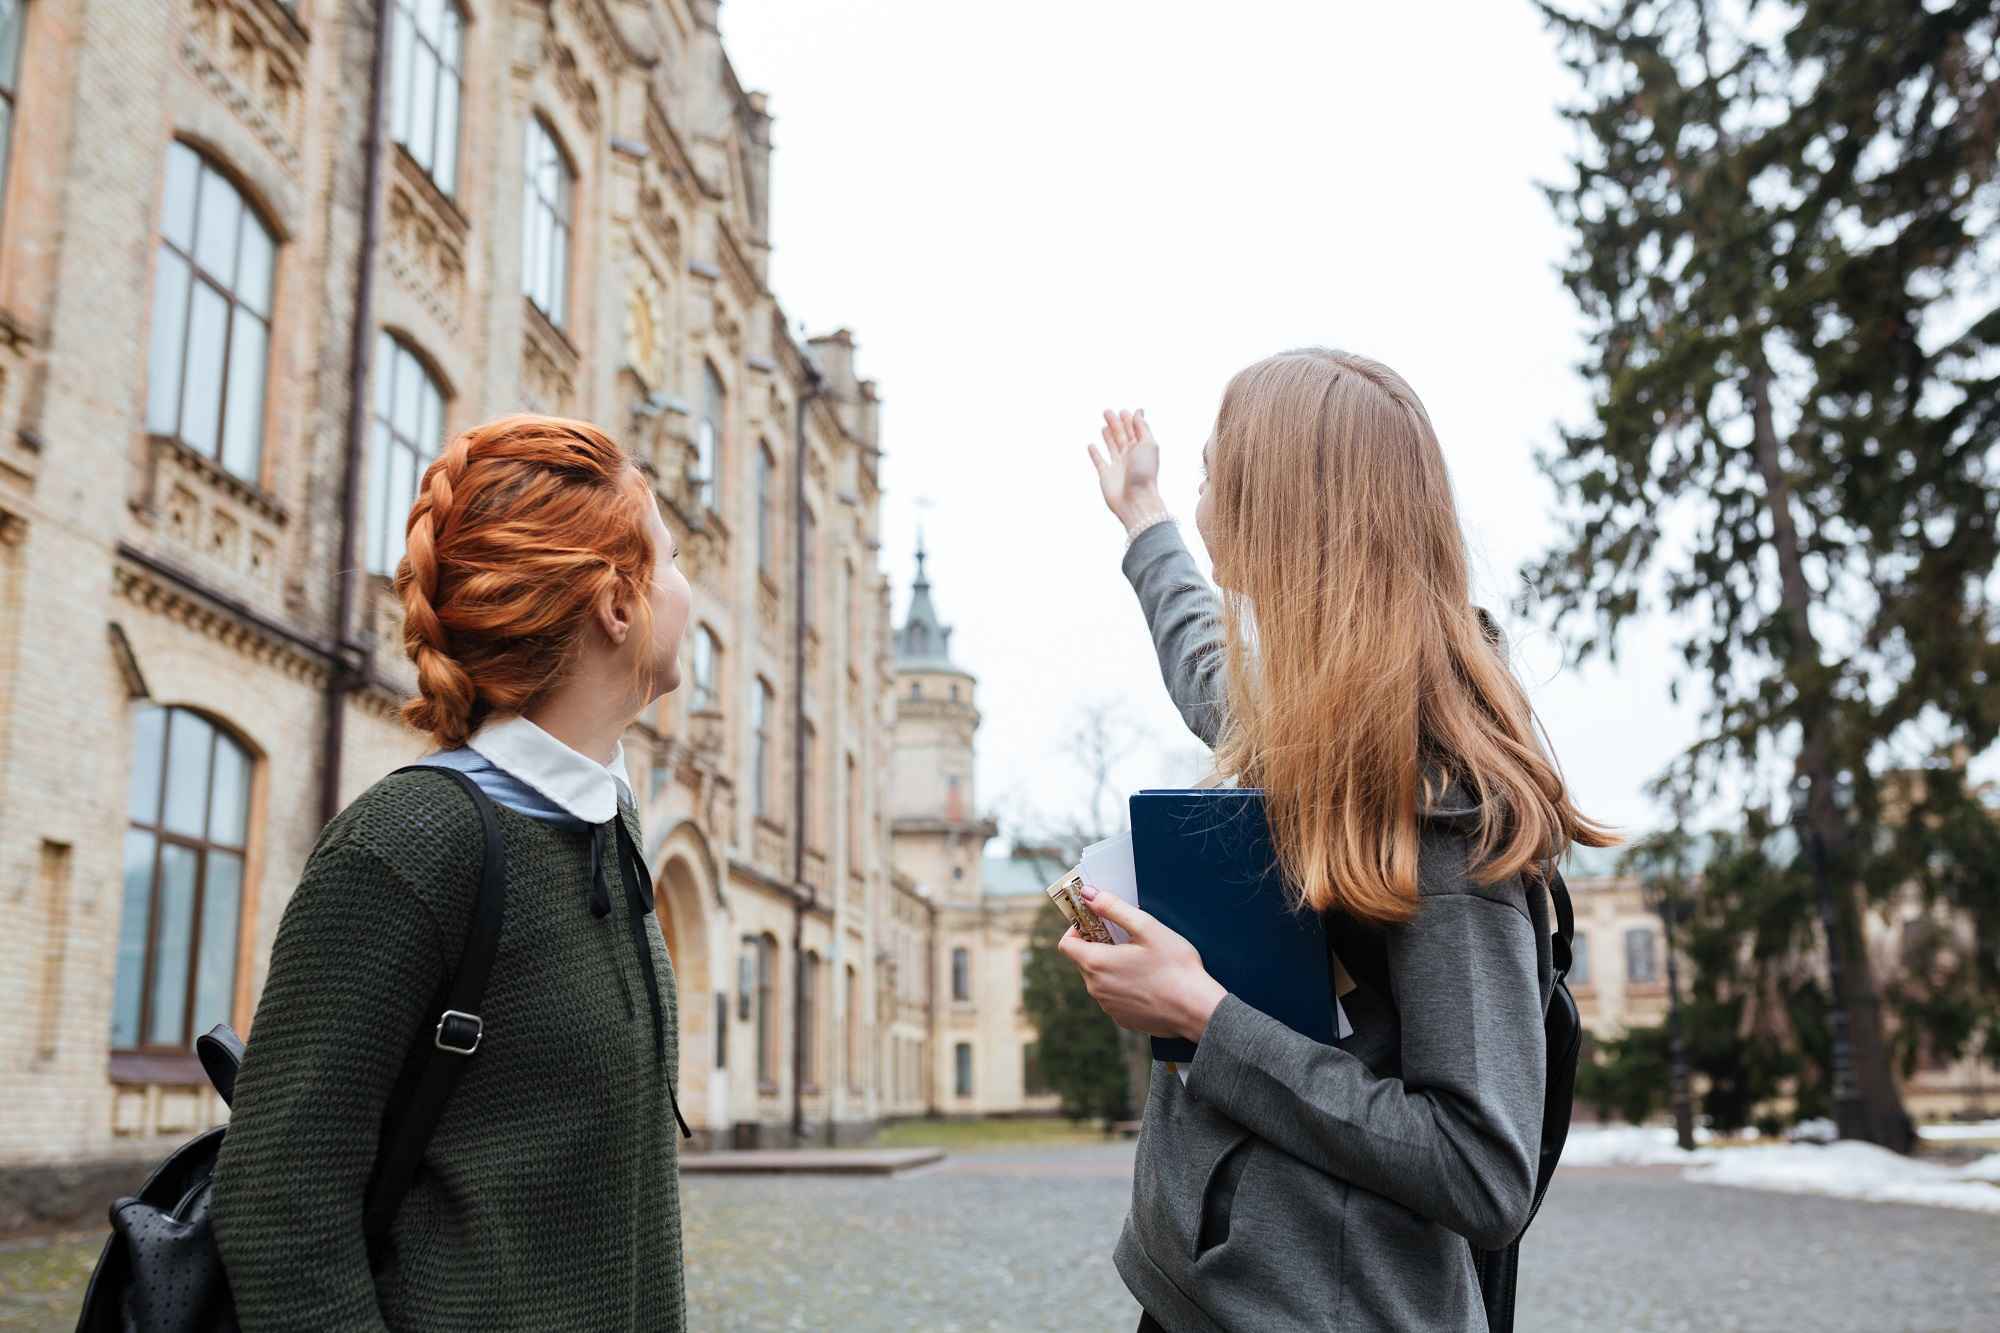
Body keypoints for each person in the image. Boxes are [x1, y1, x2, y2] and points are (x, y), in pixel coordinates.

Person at [1067, 350, 1616, 1332]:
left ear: (1274, 503)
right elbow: (1206, 670)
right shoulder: (1322, 720)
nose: (1199, 500)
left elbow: (1478, 1167)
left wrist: (1198, 1011)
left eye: (1206, 475)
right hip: (1203, 1296)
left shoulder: (1446, 799)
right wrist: (1141, 517)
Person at [211, 414, 694, 1330]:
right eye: (668, 560)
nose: (686, 587)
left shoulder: (614, 821)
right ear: (616, 604)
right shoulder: (411, 841)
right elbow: (279, 1208)